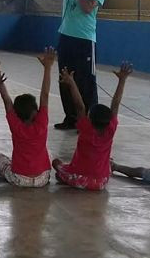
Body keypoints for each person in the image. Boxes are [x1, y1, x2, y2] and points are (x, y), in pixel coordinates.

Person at [27, 0, 106, 130]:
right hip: (66, 37)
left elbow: (88, 8)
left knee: (85, 80)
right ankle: (71, 117)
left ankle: (89, 120)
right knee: (65, 78)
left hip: (85, 40)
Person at [52, 62, 133, 191]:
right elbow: (115, 105)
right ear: (108, 120)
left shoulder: (86, 129)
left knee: (56, 163)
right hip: (102, 181)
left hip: (81, 179)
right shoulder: (110, 129)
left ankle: (66, 176)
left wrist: (71, 82)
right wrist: (122, 80)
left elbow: (79, 106)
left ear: (89, 119)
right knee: (107, 161)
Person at [0, 48, 56, 188]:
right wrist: (48, 68)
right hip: (42, 178)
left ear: (17, 113)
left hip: (20, 178)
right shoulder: (41, 123)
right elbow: (45, 95)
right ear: (34, 112)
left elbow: (7, 101)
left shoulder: (16, 125)